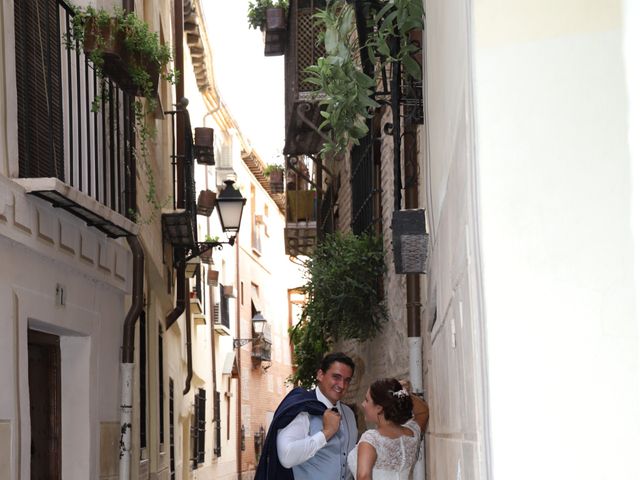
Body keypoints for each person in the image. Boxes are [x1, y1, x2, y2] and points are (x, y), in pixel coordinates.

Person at [255, 352, 358, 480]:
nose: (342, 385)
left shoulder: (349, 414)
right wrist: (326, 433)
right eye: (336, 377)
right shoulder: (302, 409)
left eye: (347, 380)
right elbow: (286, 457)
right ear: (320, 375)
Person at [347, 378, 428, 480]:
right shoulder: (412, 434)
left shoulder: (371, 439)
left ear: (379, 408)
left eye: (367, 400)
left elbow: (363, 477)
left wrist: (399, 394)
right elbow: (423, 412)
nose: (363, 404)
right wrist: (403, 394)